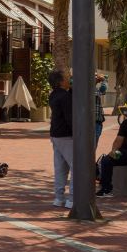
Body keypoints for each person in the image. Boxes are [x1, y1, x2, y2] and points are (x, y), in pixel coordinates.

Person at [48, 70, 74, 208]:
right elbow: (70, 117)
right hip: (66, 135)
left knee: (60, 168)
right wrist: (78, 132)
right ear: (60, 81)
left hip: (55, 134)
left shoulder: (53, 95)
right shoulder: (65, 96)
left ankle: (59, 198)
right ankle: (72, 199)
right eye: (66, 78)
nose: (68, 79)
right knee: (76, 166)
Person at [94, 74, 107, 145]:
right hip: (91, 122)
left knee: (94, 146)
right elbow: (102, 90)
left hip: (97, 121)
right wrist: (103, 80)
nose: (97, 78)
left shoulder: (95, 88)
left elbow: (103, 91)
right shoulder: (86, 88)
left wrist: (103, 80)